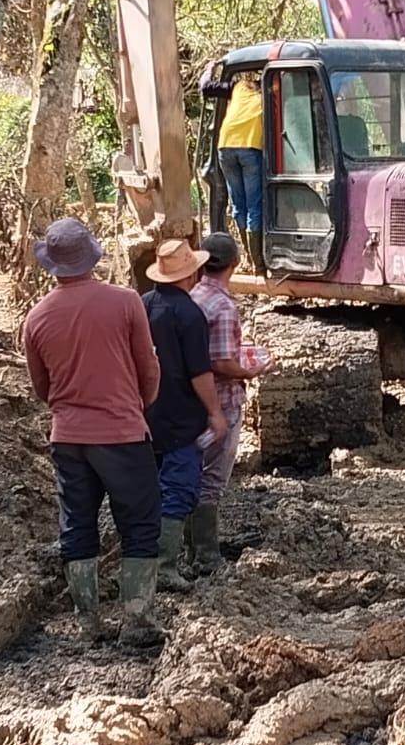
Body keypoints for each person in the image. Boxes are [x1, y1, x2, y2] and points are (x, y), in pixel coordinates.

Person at [23, 218, 163, 647]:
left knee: (77, 524)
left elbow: (41, 388)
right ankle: (137, 621)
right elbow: (148, 369)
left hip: (68, 437)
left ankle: (88, 623)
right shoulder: (125, 302)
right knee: (139, 524)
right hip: (121, 432)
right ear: (92, 257)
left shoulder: (36, 317)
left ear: (52, 265)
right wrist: (139, 405)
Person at [144, 239, 229, 591]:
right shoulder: (190, 315)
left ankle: (145, 560)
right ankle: (164, 566)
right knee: (179, 487)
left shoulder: (143, 305)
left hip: (147, 412)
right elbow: (199, 372)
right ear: (190, 272)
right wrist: (215, 413)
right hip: (181, 415)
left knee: (152, 488)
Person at [187, 233, 273, 572]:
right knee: (212, 478)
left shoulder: (194, 295)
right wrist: (250, 370)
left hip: (193, 400)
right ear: (235, 264)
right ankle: (206, 555)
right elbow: (221, 362)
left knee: (192, 472)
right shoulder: (222, 306)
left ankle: (190, 548)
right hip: (221, 402)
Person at [215, 75, 265, 271]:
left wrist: (209, 70)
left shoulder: (238, 87)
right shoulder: (268, 93)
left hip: (225, 147)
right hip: (249, 148)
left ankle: (248, 259)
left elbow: (206, 87)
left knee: (238, 203)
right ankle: (258, 263)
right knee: (254, 205)